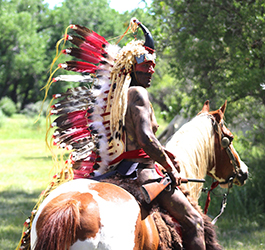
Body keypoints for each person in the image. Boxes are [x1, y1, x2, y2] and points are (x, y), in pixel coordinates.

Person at [107, 19, 206, 250]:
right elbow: (145, 138)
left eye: (153, 67)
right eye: (145, 67)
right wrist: (169, 168)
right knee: (195, 222)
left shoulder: (118, 95)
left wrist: (166, 155)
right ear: (132, 67)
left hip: (118, 168)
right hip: (142, 171)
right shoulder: (138, 93)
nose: (151, 72)